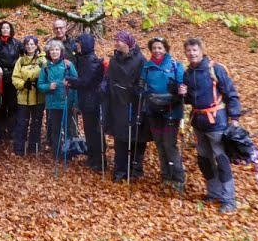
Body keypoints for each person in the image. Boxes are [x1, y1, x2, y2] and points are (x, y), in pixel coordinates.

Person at [180, 38, 244, 214]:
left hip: (217, 122)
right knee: (204, 160)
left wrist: (235, 118)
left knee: (221, 159)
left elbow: (231, 93)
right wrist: (183, 94)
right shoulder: (188, 73)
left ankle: (229, 199)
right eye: (189, 50)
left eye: (195, 50)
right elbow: (190, 101)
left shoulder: (215, 69)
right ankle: (213, 193)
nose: (192, 53)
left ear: (202, 50)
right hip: (199, 122)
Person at [137, 36, 187, 191]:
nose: (157, 50)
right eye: (154, 48)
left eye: (160, 47)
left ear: (165, 49)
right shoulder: (147, 67)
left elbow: (182, 86)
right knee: (159, 144)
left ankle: (178, 178)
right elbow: (142, 87)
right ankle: (165, 176)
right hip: (153, 111)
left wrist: (180, 89)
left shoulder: (175, 66)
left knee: (169, 144)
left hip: (171, 111)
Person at [102, 30, 145, 183]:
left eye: (118, 40)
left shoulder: (139, 59)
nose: (116, 43)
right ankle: (120, 170)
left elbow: (143, 79)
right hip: (117, 102)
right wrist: (105, 85)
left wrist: (138, 89)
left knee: (134, 137)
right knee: (120, 137)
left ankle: (135, 168)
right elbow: (109, 76)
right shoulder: (114, 59)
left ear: (126, 43)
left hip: (132, 103)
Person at [66, 33, 105, 172]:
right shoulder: (84, 58)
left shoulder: (91, 61)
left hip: (92, 102)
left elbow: (85, 82)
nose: (77, 46)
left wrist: (70, 80)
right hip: (87, 100)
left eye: (80, 43)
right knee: (89, 131)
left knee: (94, 132)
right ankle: (93, 158)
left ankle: (98, 161)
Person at [39, 39, 78, 160]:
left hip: (67, 102)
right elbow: (40, 84)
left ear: (61, 51)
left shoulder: (67, 64)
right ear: (48, 52)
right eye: (52, 50)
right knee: (55, 130)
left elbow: (76, 82)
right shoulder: (45, 67)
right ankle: (56, 153)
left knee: (68, 130)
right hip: (53, 103)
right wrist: (48, 87)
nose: (54, 52)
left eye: (57, 49)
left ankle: (68, 154)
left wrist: (75, 101)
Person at [11, 35, 47, 156]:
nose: (30, 46)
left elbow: (47, 72)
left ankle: (34, 148)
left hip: (38, 97)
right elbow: (15, 77)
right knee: (22, 123)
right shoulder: (20, 61)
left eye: (32, 44)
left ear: (36, 45)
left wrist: (40, 81)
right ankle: (19, 149)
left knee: (36, 123)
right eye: (27, 44)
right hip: (23, 97)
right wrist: (23, 84)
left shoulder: (42, 60)